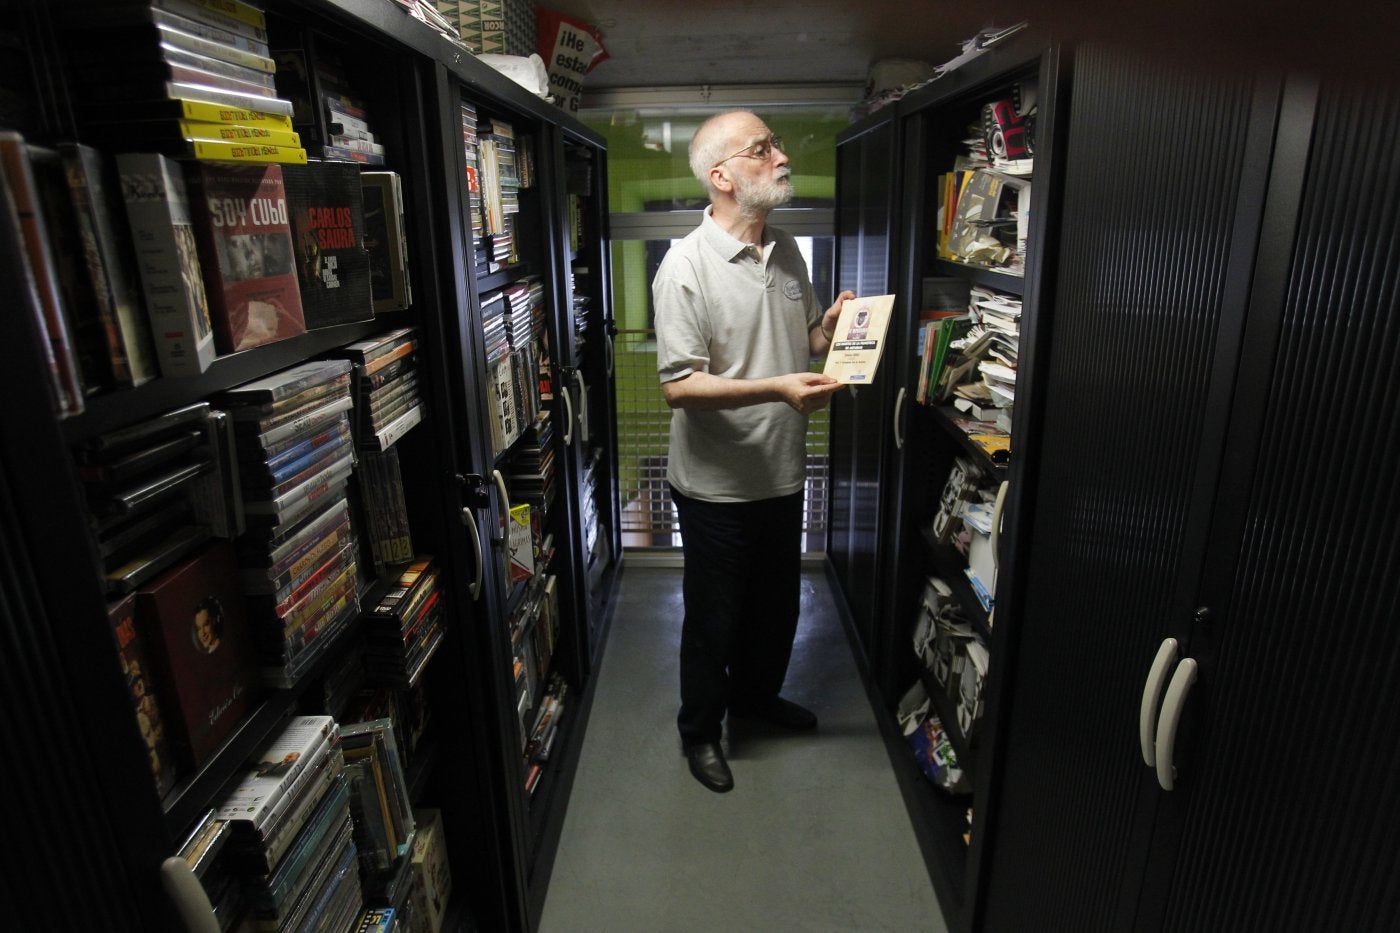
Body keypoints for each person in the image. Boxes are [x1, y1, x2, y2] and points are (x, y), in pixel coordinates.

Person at [652, 110, 855, 793]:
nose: (780, 156)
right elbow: (680, 386)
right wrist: (776, 387)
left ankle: (757, 699)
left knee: (778, 608)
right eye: (761, 149)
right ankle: (701, 733)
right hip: (716, 485)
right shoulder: (683, 268)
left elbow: (801, 347)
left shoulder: (788, 249)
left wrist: (827, 331)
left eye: (775, 144)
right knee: (714, 620)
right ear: (722, 176)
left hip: (781, 471)